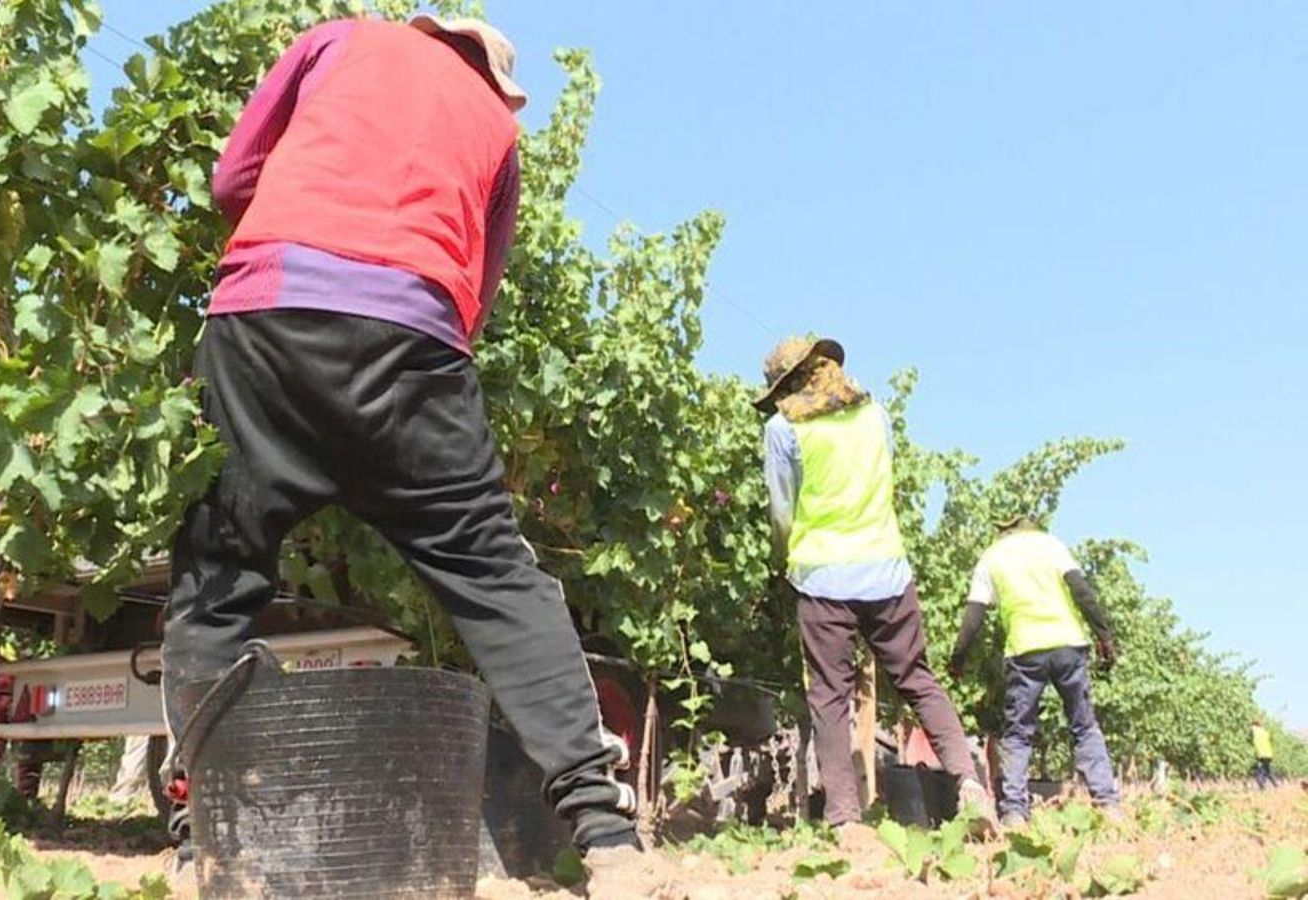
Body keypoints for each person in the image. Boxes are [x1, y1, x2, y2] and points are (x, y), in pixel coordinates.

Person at [159, 13, 651, 888]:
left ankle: (201, 834)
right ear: (498, 80)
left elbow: (233, 177)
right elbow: (477, 295)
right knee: (496, 575)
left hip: (265, 317)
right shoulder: (498, 129)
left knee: (220, 565)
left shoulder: (339, 37)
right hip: (411, 346)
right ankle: (606, 835)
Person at [758, 336, 996, 831]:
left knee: (828, 695)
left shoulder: (783, 430)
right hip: (887, 570)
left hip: (822, 577)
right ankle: (970, 785)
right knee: (917, 680)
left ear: (788, 384)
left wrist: (784, 558)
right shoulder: (876, 416)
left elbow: (783, 511)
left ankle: (844, 820)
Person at [949, 513, 1121, 825]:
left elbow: (974, 616)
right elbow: (1081, 591)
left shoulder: (991, 557)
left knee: (1018, 732)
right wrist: (1104, 635)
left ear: (1004, 532)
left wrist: (957, 658)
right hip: (1069, 645)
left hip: (1025, 651)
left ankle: (1014, 811)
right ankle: (1107, 804)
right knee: (1084, 725)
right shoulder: (1051, 545)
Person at [1252, 719, 1281, 789]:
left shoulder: (1254, 730)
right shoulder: (1265, 732)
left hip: (1261, 754)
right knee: (1267, 770)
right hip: (1268, 754)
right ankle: (1276, 785)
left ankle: (1262, 787)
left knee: (1260, 771)